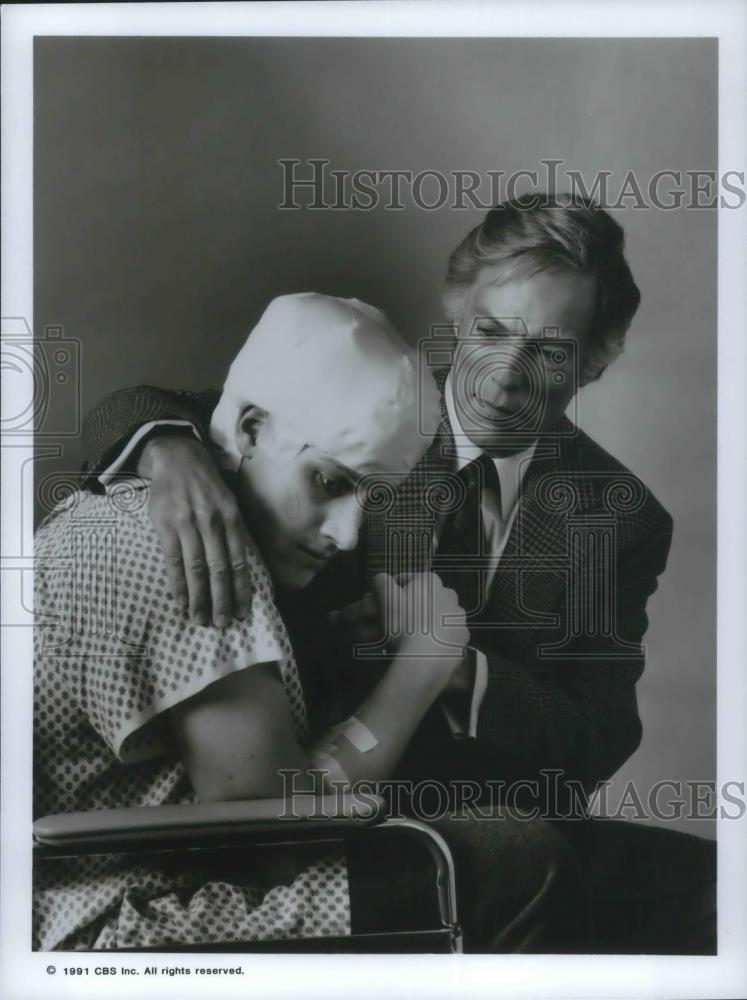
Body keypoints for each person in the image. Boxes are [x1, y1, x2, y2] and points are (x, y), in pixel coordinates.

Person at [78, 195, 716, 953]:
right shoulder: (364, 399)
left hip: (495, 812)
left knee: (716, 889)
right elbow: (142, 406)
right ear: (455, 312)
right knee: (524, 869)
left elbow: (600, 731)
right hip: (314, 813)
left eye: (548, 352)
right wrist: (167, 453)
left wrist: (455, 670)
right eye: (487, 332)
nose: (503, 377)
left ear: (596, 360)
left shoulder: (620, 516)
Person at [34, 292, 478, 950]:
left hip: (114, 893)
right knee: (516, 864)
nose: (349, 536)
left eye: (370, 498)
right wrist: (419, 672)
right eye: (329, 482)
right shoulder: (198, 546)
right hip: (114, 919)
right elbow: (271, 848)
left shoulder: (152, 504)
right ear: (246, 432)